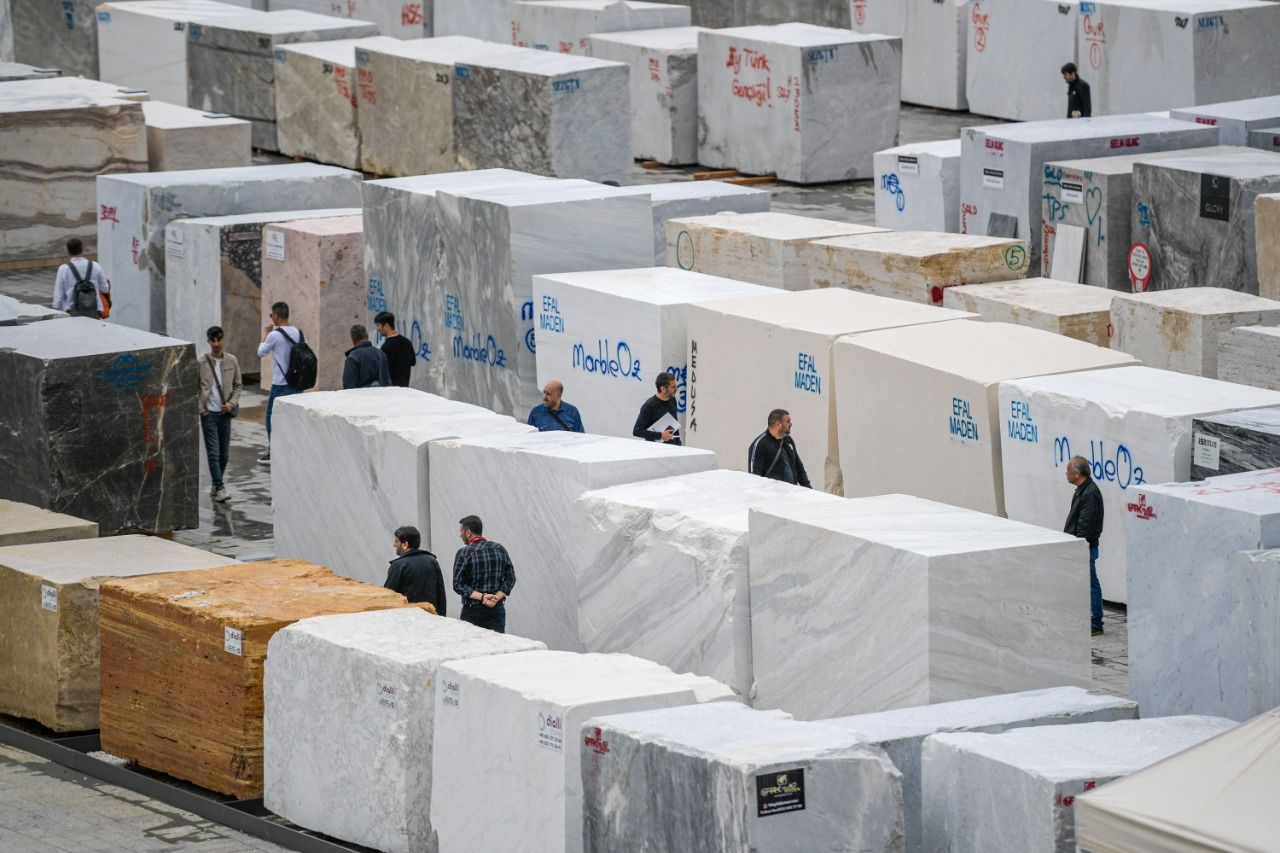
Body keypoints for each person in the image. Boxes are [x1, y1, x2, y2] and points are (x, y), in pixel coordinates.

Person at [198, 326, 242, 504]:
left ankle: (216, 486)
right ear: (208, 341)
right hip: (209, 413)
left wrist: (231, 403)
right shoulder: (201, 362)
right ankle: (220, 486)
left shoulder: (232, 360)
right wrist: (202, 408)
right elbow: (193, 387)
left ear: (223, 340)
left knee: (224, 455)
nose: (216, 344)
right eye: (212, 341)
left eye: (218, 340)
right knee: (213, 453)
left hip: (225, 413)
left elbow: (238, 385)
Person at [1063, 455, 1105, 636]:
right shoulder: (1084, 490)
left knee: (1091, 584)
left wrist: (1078, 546)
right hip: (1081, 546)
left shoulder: (1089, 494)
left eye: (1068, 471)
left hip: (1084, 547)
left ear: (1077, 473)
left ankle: (1096, 623)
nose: (1066, 474)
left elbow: (1085, 526)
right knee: (1085, 583)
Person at [451, 515, 515, 633]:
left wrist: (482, 597)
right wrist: (496, 597)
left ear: (468, 532)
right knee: (498, 647)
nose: (460, 535)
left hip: (472, 610)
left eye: (461, 531)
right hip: (496, 608)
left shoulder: (464, 553)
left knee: (472, 646)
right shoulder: (499, 549)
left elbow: (457, 584)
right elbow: (510, 577)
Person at [256, 301, 303, 463]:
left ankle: (274, 451)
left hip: (280, 384)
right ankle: (295, 450)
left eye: (271, 315)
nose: (271, 318)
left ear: (276, 316)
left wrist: (265, 333)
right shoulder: (298, 332)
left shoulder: (274, 335)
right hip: (297, 383)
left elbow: (261, 352)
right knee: (293, 418)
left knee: (271, 419)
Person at [384, 525, 447, 615]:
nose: (394, 545)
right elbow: (440, 592)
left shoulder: (398, 565)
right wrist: (442, 617)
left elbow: (389, 595)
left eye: (396, 541)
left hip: (409, 619)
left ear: (405, 544)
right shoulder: (432, 561)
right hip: (432, 616)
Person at [747, 409, 811, 488]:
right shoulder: (760, 444)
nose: (791, 424)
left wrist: (809, 490)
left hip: (791, 495)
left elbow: (799, 468)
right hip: (773, 497)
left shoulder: (789, 441)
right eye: (787, 422)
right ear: (778, 424)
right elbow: (754, 477)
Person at [52, 238, 110, 318]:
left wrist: (56, 309)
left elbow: (58, 296)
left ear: (68, 252)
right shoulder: (95, 266)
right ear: (82, 250)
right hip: (94, 312)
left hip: (72, 312)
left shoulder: (63, 269)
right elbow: (105, 289)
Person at [632, 372, 681, 446]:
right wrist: (660, 435)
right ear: (663, 389)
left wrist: (679, 444)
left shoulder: (672, 400)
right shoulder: (649, 406)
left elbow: (675, 425)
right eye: (673, 387)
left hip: (672, 449)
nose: (676, 389)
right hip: (655, 451)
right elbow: (637, 431)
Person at [343, 324, 391, 389]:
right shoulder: (381, 354)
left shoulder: (353, 357)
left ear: (353, 340)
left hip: (361, 397)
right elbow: (387, 383)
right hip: (381, 397)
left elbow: (349, 387)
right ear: (367, 337)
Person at [375, 311, 415, 388]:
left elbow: (383, 371)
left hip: (391, 390)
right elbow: (413, 362)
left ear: (386, 326)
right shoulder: (407, 342)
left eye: (378, 326)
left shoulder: (386, 347)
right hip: (405, 388)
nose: (377, 329)